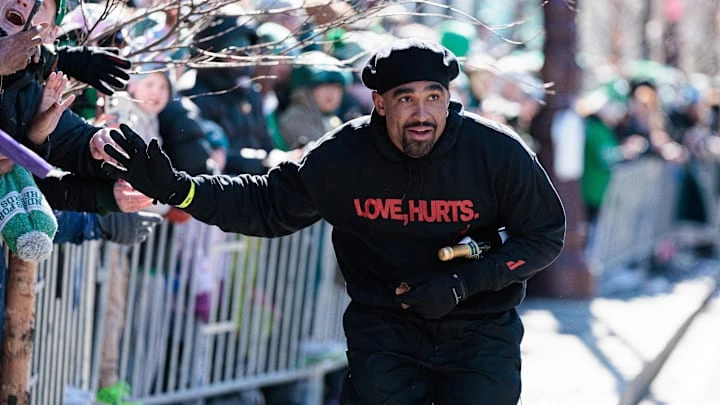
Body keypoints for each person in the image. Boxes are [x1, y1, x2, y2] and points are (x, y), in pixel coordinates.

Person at [101, 38, 566, 405]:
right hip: (385, 332)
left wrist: (464, 283)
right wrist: (181, 188)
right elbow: (267, 204)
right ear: (379, 103)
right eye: (406, 99)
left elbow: (544, 234)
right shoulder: (346, 155)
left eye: (434, 97)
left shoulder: (495, 151)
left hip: (480, 333)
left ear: (449, 100)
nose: (422, 113)